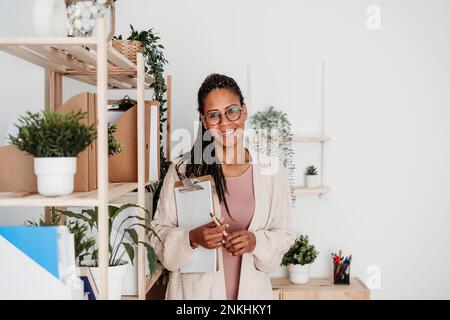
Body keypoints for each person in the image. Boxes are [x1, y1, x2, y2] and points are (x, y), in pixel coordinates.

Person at [148, 73, 295, 299]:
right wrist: (192, 238)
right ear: (204, 121)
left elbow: (284, 234)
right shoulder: (183, 170)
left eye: (232, 111)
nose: (225, 122)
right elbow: (157, 233)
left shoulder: (272, 172)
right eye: (214, 115)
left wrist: (255, 241)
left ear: (244, 111)